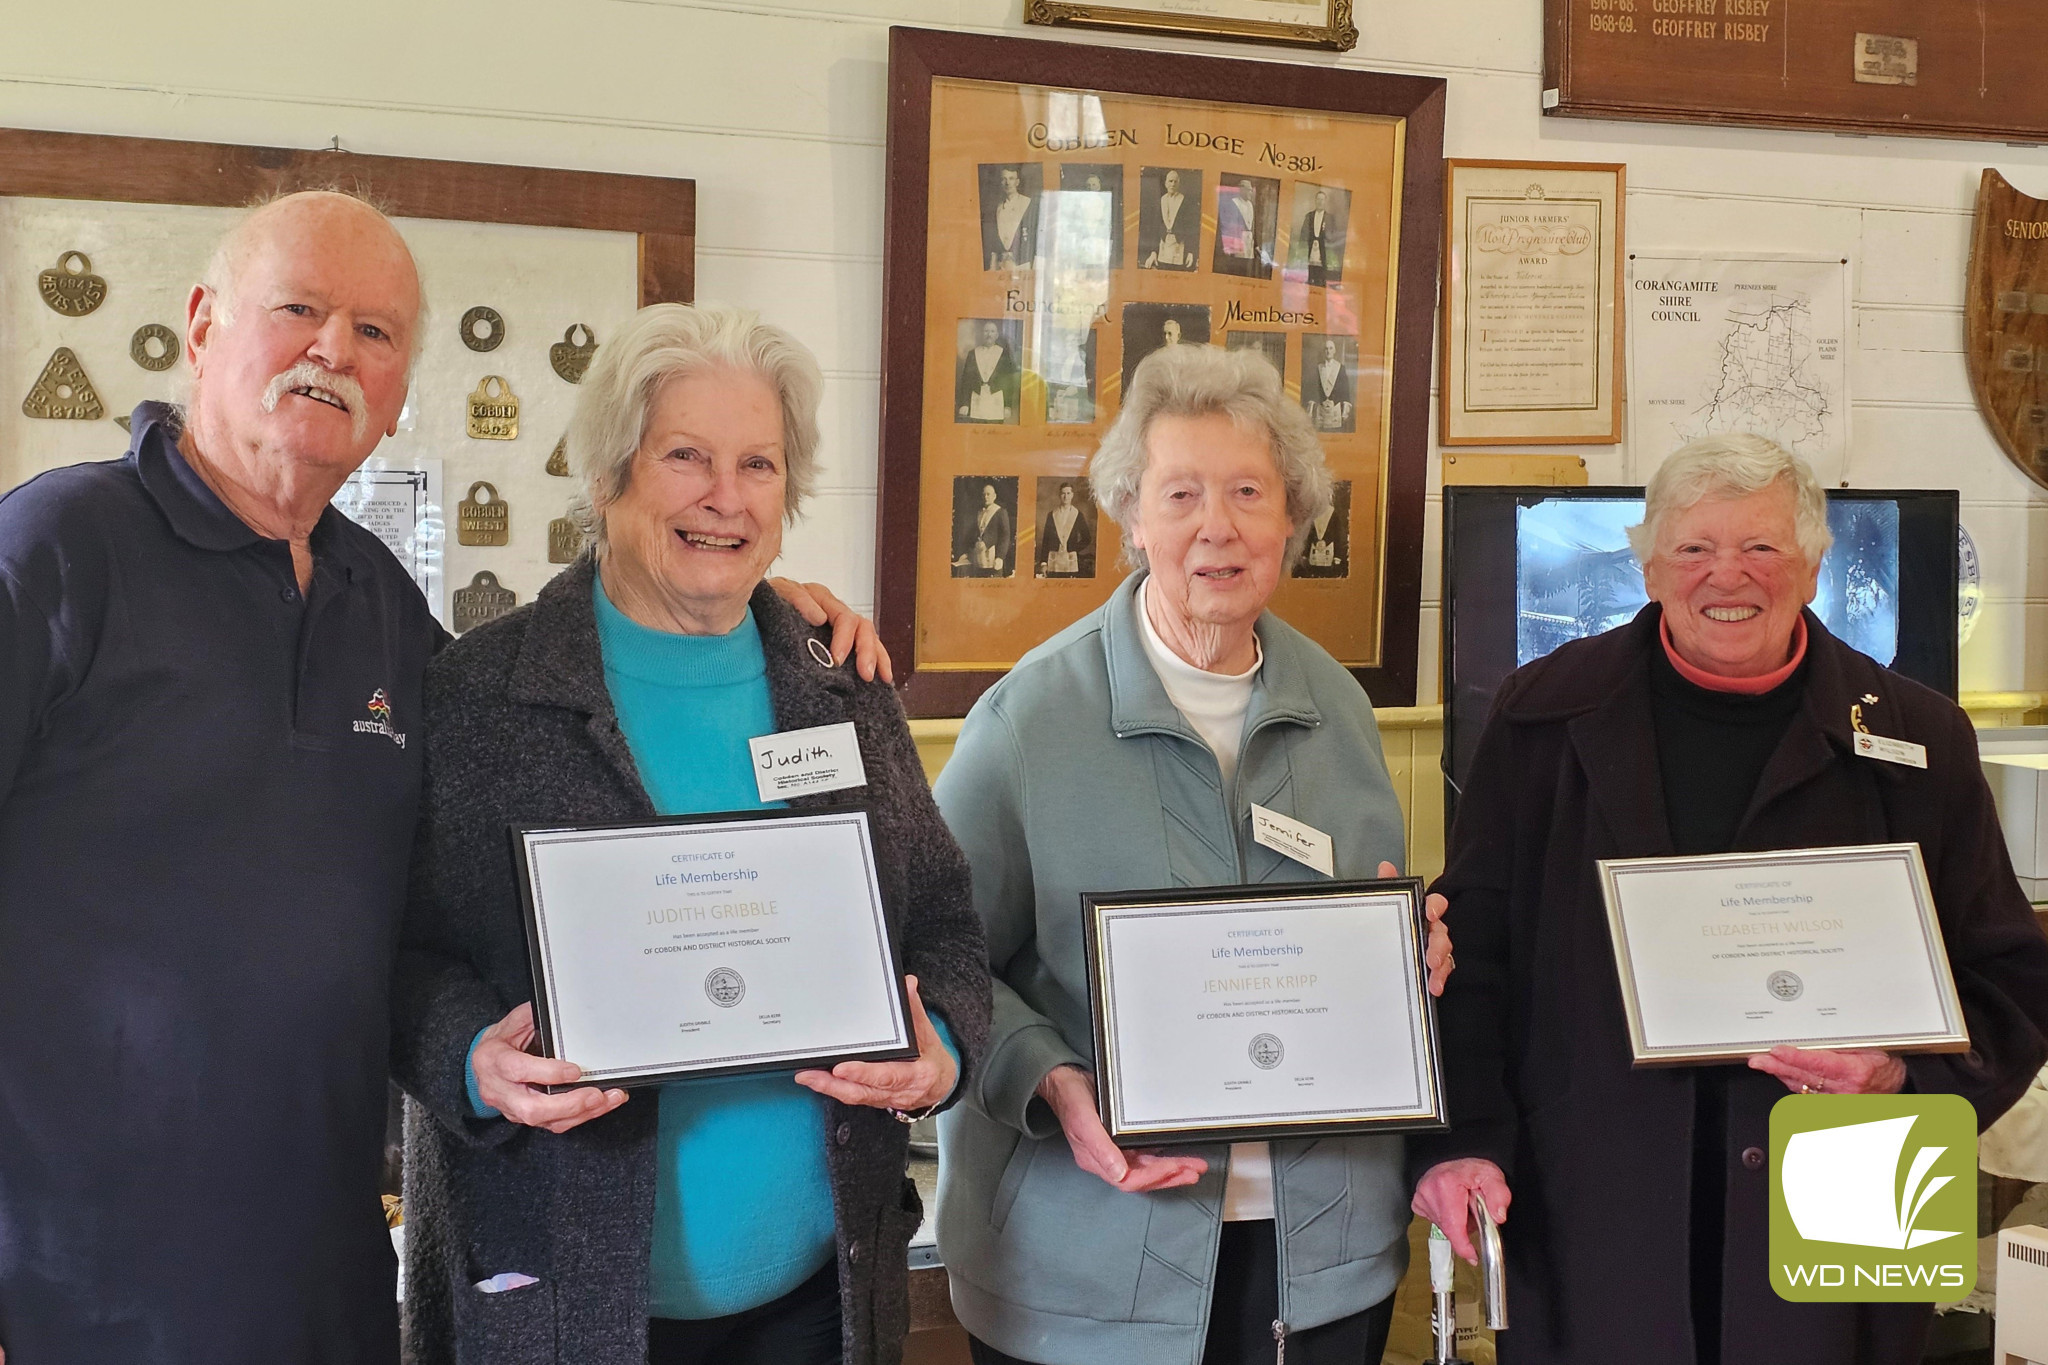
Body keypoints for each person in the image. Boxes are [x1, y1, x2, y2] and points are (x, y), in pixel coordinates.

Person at [0, 191, 890, 1365]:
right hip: (67, 1267)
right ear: (204, 324)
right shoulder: (57, 549)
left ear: (400, 389)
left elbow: (431, 906)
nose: (334, 349)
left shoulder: (382, 608)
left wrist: (767, 606)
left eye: (375, 331)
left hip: (317, 1262)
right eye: (299, 309)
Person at [390, 302, 990, 1365]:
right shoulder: (479, 694)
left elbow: (942, 922)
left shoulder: (842, 689)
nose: (725, 498)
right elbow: (399, 955)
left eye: (758, 464)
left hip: (821, 1294)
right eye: (685, 456)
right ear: (611, 471)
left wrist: (939, 1044)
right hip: (556, 1296)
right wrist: (470, 1063)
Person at [1410, 435, 2048, 1365]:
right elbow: (1477, 961)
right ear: (1650, 564)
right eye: (1695, 549)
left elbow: (2009, 976)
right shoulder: (1539, 715)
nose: (1727, 577)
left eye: (1760, 548)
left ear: (1814, 561)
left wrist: (1908, 1078)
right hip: (1598, 1177)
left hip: (1862, 1169)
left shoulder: (1920, 735)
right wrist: (1470, 1138)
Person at [933, 343, 1452, 1365]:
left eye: (1247, 492)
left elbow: (1365, 920)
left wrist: (1410, 952)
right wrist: (1051, 1080)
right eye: (1179, 493)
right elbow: (942, 960)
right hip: (1084, 1261)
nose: (1214, 525)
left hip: (1322, 1258)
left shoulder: (1338, 710)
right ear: (1131, 518)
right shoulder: (1025, 722)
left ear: (1289, 522)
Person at [956, 320, 1020, 425]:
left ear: (997, 335)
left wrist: (1007, 406)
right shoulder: (973, 354)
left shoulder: (1004, 354)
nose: (989, 334)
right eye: (986, 331)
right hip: (977, 398)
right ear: (982, 334)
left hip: (996, 399)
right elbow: (966, 380)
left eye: (992, 331)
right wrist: (964, 404)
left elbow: (1009, 383)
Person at [983, 165, 1037, 271]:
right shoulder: (998, 208)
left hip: (1022, 265)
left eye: (1011, 179)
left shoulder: (1027, 203)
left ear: (1017, 182)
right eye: (1004, 179)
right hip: (1001, 266)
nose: (1007, 183)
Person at [955, 482, 1013, 577]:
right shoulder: (979, 512)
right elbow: (974, 534)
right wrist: (967, 552)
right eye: (984, 494)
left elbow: (1005, 536)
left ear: (994, 496)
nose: (986, 497)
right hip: (978, 557)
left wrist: (1000, 557)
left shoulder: (1001, 512)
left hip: (993, 557)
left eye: (988, 494)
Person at [1142, 168, 1196, 271]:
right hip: (1163, 245)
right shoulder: (1160, 201)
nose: (1173, 184)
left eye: (1175, 181)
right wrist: (1153, 251)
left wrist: (1191, 252)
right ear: (1166, 183)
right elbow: (1155, 227)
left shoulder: (1185, 202)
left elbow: (1191, 228)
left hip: (1179, 246)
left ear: (1179, 183)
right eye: (1170, 181)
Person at [1036, 481, 1092, 578]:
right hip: (1054, 561)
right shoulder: (1052, 515)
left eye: (1068, 493)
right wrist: (1044, 563)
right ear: (1059, 495)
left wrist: (1073, 548)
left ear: (1072, 495)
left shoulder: (1077, 515)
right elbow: (1046, 540)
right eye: (1063, 493)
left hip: (1070, 561)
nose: (1065, 496)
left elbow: (1087, 538)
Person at [1301, 336, 1354, 433]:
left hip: (1335, 410)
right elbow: (1313, 389)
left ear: (1334, 351)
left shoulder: (1340, 368)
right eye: (1326, 349)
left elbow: (1344, 390)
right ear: (1323, 351)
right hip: (1320, 410)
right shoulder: (1318, 368)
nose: (1328, 351)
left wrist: (1339, 405)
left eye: (1331, 348)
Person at [1297, 188, 1339, 286]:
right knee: (1310, 273)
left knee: (1321, 276)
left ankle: (1320, 284)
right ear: (1315, 201)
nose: (1320, 202)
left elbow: (1333, 235)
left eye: (1322, 200)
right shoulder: (1309, 216)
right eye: (1318, 199)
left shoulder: (1330, 218)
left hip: (1323, 249)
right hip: (1311, 249)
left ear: (1325, 202)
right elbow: (1303, 233)